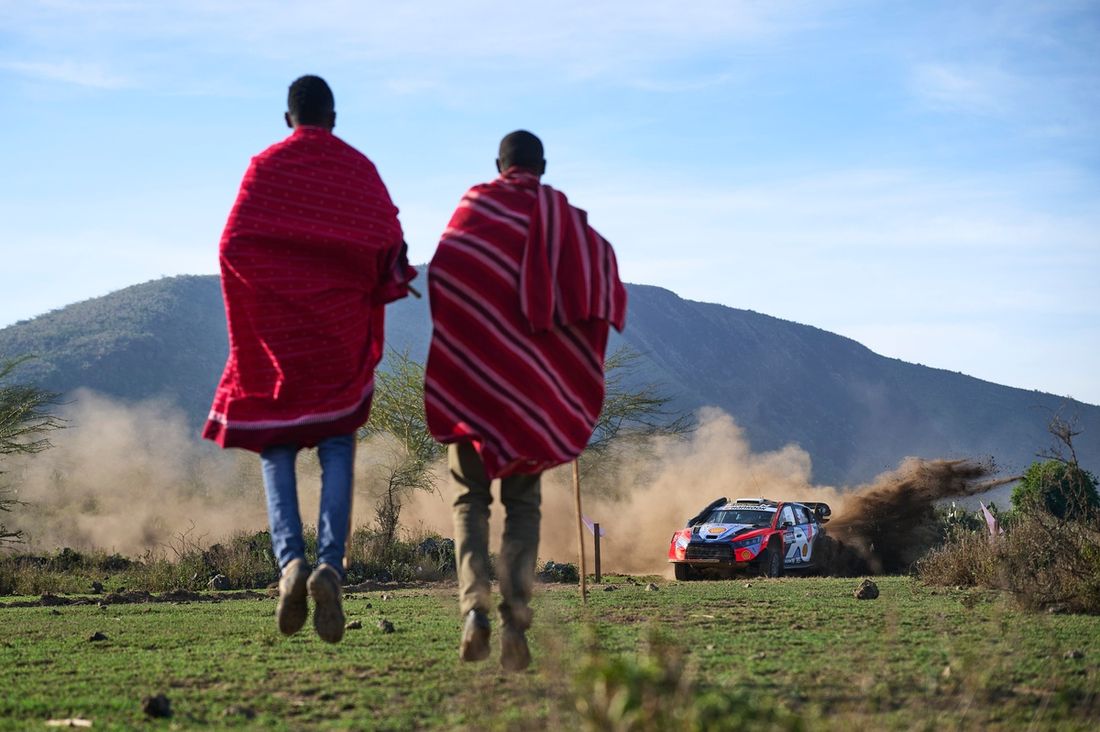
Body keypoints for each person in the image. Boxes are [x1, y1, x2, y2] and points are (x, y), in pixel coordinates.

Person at [203, 75, 415, 643]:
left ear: (287, 117)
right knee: (338, 444)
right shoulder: (357, 169)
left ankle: (290, 562)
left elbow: (231, 245)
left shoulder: (265, 168)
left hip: (280, 342)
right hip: (338, 337)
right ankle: (330, 567)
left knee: (277, 447)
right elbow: (390, 246)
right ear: (334, 117)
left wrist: (260, 310)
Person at [424, 130, 627, 671]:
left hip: (472, 390)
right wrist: (569, 357)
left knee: (469, 502)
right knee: (522, 507)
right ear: (543, 166)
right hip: (528, 402)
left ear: (499, 165)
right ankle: (515, 619)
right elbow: (601, 274)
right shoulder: (564, 225)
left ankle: (474, 611)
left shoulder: (475, 210)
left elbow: (443, 274)